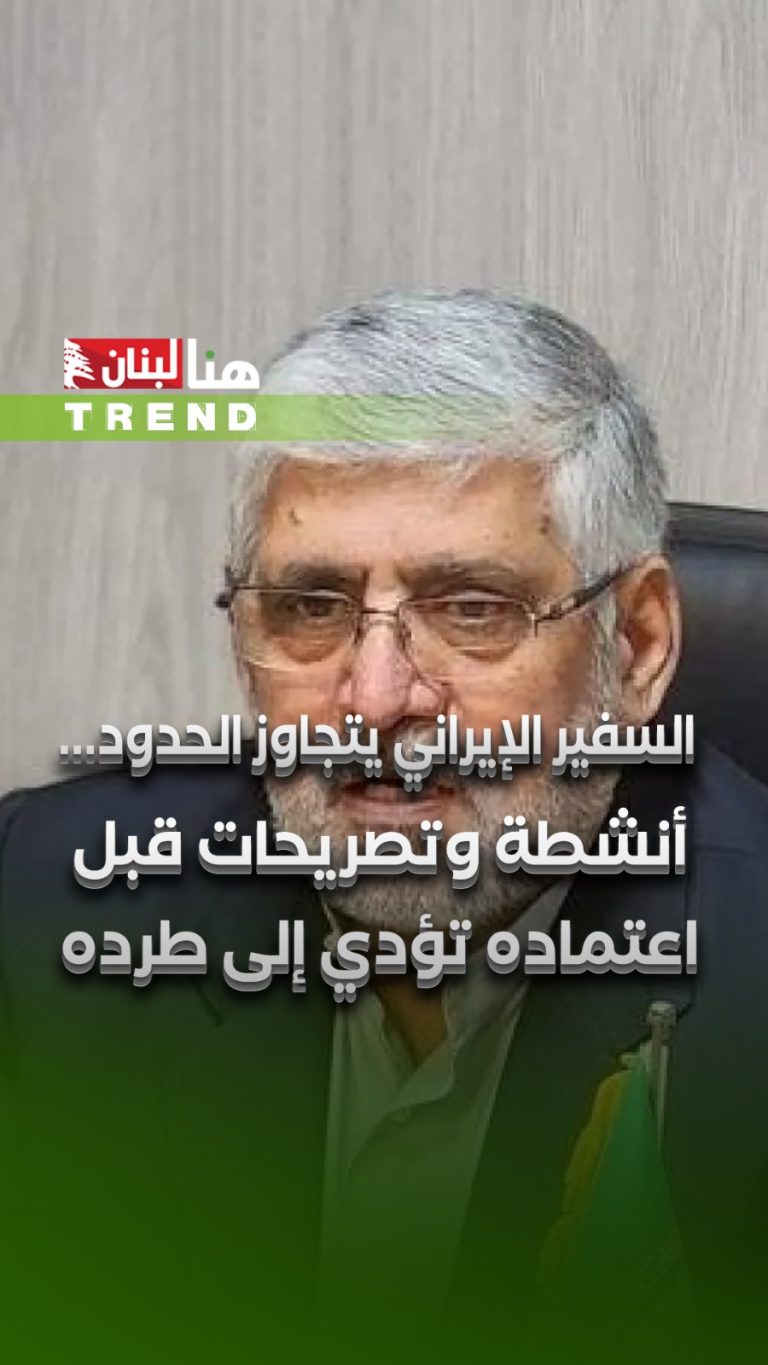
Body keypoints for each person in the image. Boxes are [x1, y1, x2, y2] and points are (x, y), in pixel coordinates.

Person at [1, 291, 766, 1362]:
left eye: (472, 608)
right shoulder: (48, 906)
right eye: (311, 607)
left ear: (635, 646)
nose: (373, 699)